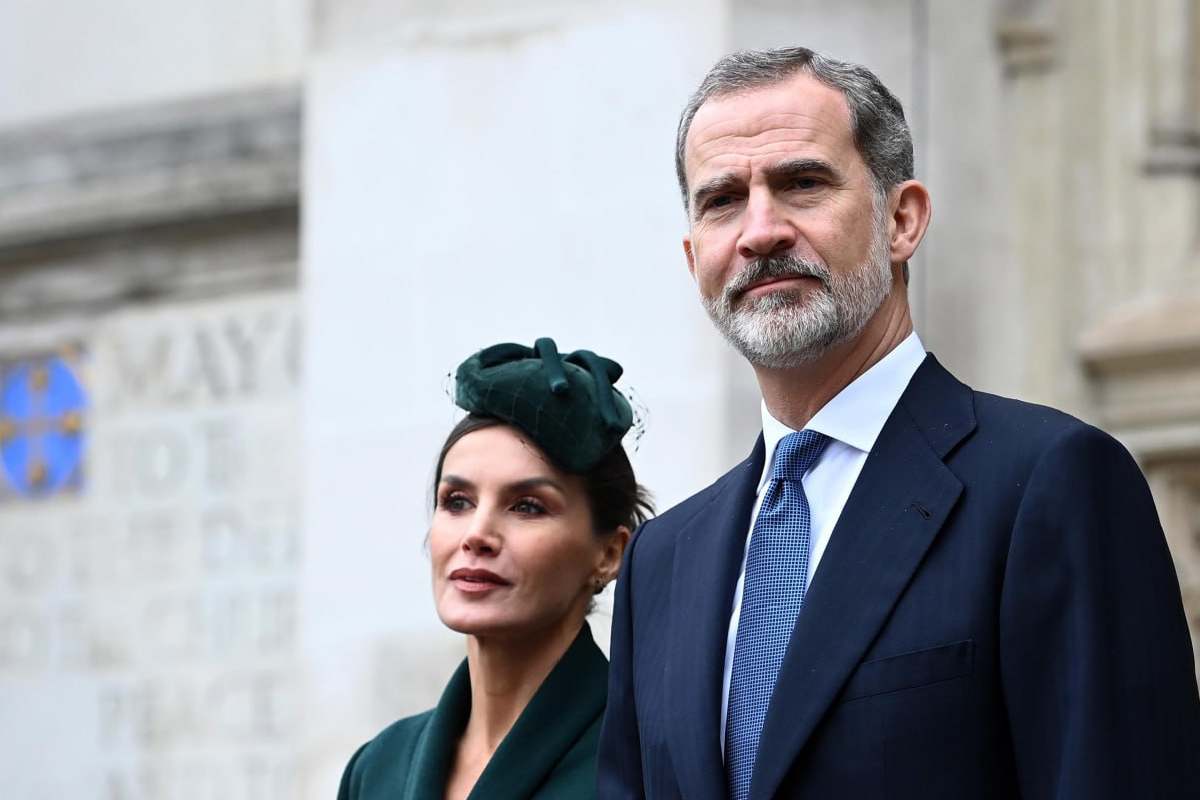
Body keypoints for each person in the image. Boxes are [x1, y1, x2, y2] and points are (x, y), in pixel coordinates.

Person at [598, 47, 1200, 799]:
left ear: (902, 220)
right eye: (722, 200)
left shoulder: (1050, 485)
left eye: (802, 183)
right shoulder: (663, 562)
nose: (760, 230)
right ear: (696, 261)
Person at [340, 337, 651, 800]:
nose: (477, 534)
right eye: (457, 502)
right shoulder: (378, 768)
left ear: (608, 554)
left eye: (527, 506)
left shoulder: (645, 762)